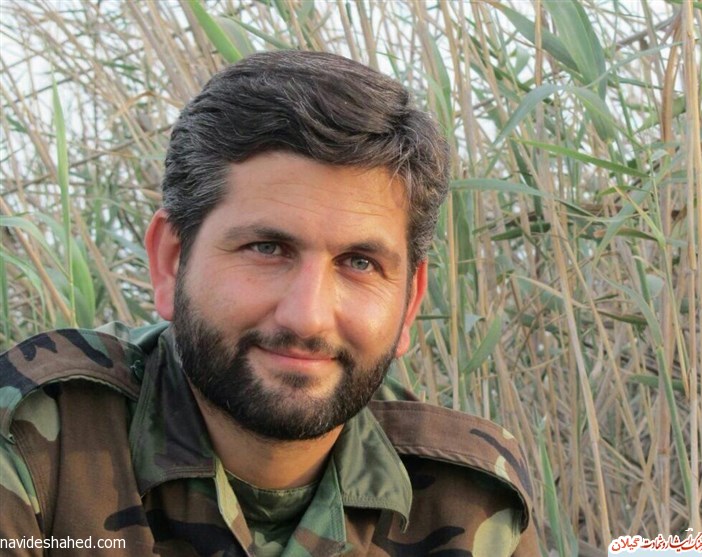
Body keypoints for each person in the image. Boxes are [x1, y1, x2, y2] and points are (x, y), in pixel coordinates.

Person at [0, 51, 535, 556]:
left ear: (410, 301)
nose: (307, 317)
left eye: (359, 262)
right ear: (171, 261)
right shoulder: (33, 443)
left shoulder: (473, 503)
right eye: (266, 249)